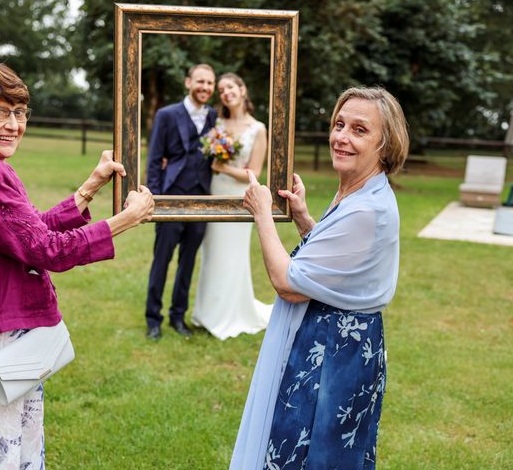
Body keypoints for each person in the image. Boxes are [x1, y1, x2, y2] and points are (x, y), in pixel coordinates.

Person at [0, 61, 154, 469]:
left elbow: (24, 235)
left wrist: (90, 187)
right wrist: (125, 219)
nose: (12, 124)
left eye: (19, 112)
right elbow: (46, 249)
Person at [231, 86, 409, 469]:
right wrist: (304, 221)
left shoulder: (368, 207)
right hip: (339, 341)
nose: (341, 137)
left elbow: (288, 283)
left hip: (334, 348)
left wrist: (262, 213)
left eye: (360, 130)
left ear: (385, 143)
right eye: (339, 124)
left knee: (314, 450)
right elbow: (341, 266)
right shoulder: (360, 193)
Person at [191, 73, 273, 339]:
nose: (226, 92)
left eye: (231, 87)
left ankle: (232, 313)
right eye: (222, 89)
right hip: (215, 193)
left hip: (240, 198)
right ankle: (206, 313)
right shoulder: (216, 123)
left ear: (242, 89)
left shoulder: (258, 129)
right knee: (212, 252)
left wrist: (222, 166)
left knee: (233, 255)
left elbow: (255, 172)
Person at [144, 63, 217, 340]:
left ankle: (178, 316)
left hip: (202, 199)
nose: (205, 88)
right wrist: (155, 199)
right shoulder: (166, 115)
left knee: (188, 262)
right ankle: (153, 318)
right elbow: (154, 159)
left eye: (209, 83)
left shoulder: (213, 118)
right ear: (188, 82)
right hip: (171, 196)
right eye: (200, 81)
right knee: (161, 260)